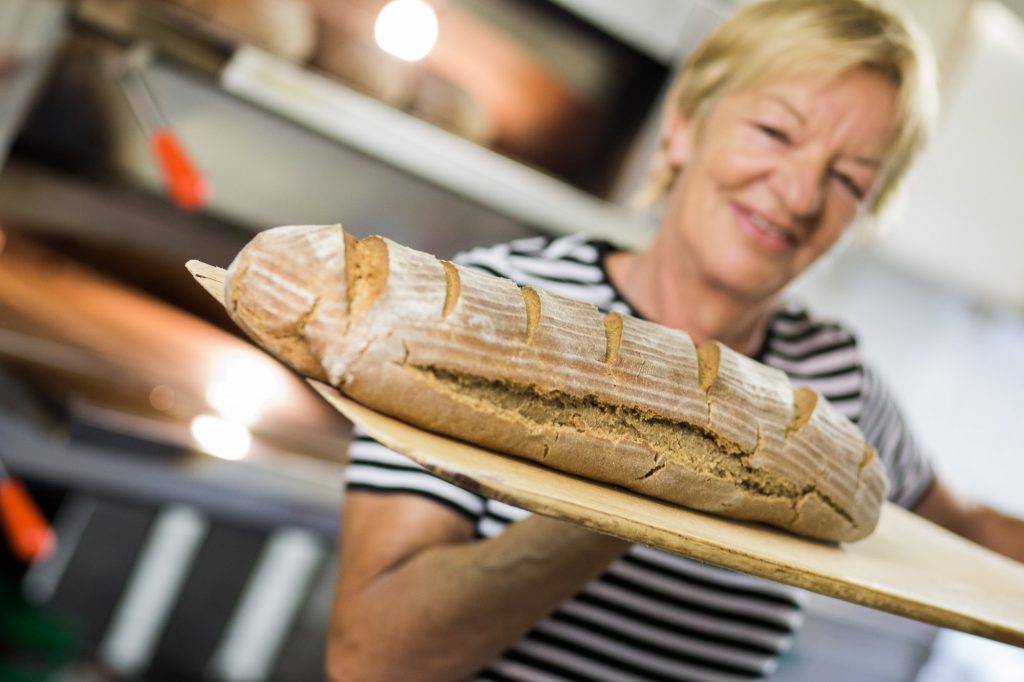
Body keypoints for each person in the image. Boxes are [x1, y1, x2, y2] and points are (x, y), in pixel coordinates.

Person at [326, 1, 1024, 680]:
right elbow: (373, 661)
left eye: (849, 179)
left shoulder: (834, 387)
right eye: (775, 133)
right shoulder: (492, 306)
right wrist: (658, 475)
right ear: (685, 121)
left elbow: (969, 532)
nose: (801, 194)